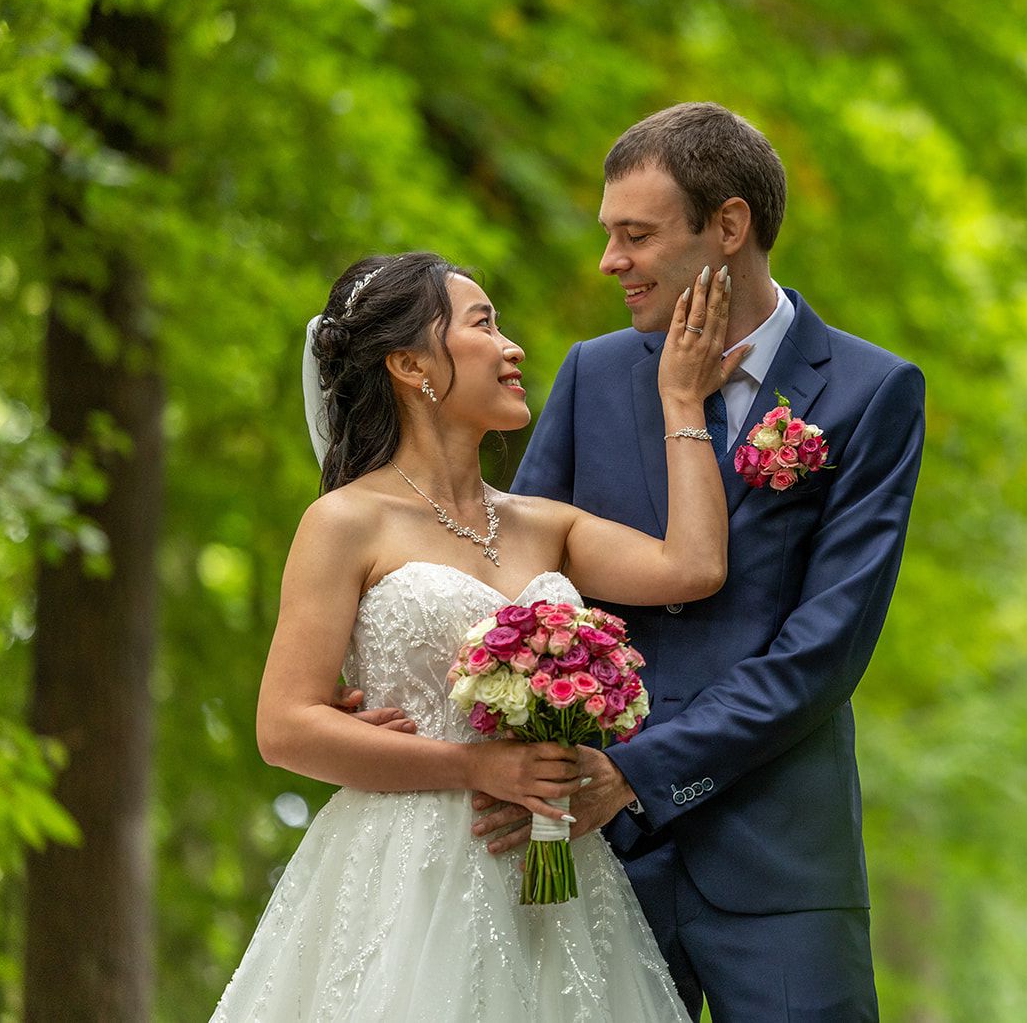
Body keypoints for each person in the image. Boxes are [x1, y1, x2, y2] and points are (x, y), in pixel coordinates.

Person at [471, 103, 926, 1021]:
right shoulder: (592, 375)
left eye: (635, 235)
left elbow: (824, 652)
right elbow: (514, 587)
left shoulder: (874, 394)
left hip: (781, 868)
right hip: (590, 853)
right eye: (609, 235)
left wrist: (637, 771)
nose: (610, 261)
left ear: (728, 225)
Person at [211, 251, 745, 1021]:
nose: (513, 346)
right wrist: (476, 765)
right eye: (484, 324)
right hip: (410, 875)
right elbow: (284, 727)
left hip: (556, 874)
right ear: (409, 363)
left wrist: (682, 402)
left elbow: (695, 566)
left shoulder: (544, 521)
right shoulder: (343, 522)